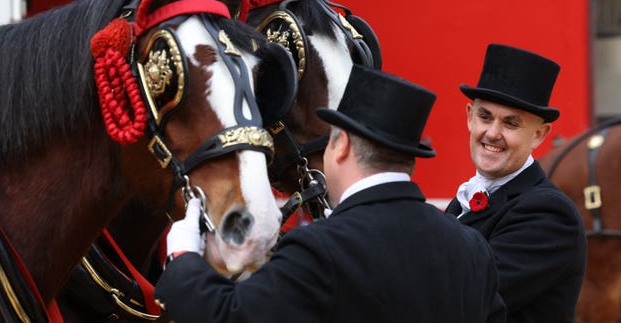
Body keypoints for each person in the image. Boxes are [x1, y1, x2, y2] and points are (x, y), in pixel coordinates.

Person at [155, 64, 506, 323]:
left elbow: (227, 318)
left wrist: (183, 255)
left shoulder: (320, 249)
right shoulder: (471, 246)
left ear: (341, 146)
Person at [445, 43, 587, 323]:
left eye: (511, 124)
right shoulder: (467, 198)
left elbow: (465, 299)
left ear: (539, 135)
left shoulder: (548, 213)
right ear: (469, 117)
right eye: (485, 117)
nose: (492, 133)